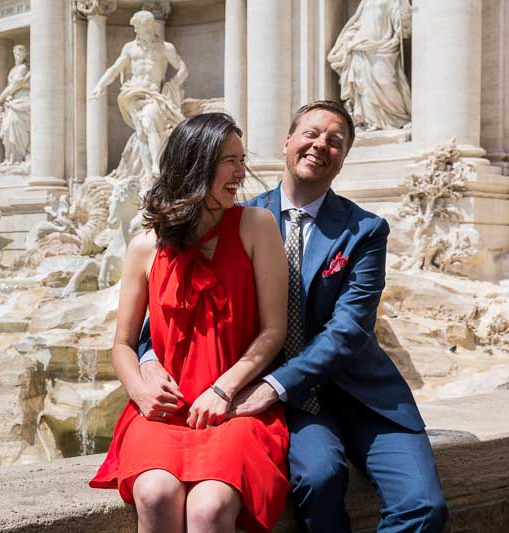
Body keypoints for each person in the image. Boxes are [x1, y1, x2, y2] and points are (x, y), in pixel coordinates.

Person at [137, 101, 447, 532]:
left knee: (424, 506)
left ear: (344, 157)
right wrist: (148, 358)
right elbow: (173, 307)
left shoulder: (366, 230)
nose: (321, 145)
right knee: (318, 482)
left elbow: (349, 330)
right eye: (311, 133)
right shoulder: (232, 219)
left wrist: (270, 387)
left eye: (335, 141)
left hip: (361, 396)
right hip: (296, 407)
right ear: (287, 142)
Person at [91, 113, 291, 532]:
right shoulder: (145, 246)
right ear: (195, 165)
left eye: (240, 159)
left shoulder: (258, 226)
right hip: (164, 409)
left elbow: (274, 331)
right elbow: (123, 344)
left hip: (234, 407)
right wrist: (140, 389)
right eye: (228, 161)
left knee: (210, 509)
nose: (241, 173)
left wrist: (225, 388)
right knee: (155, 494)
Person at [90, 10, 187, 185]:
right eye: (142, 28)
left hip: (153, 94)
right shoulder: (130, 48)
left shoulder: (165, 47)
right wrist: (100, 86)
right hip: (132, 94)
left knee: (148, 122)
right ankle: (148, 173)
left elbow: (183, 69)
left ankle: (157, 167)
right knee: (142, 131)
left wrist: (172, 85)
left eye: (148, 27)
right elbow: (114, 69)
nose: (146, 31)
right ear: (136, 28)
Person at [327, 0, 412, 131]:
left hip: (383, 47)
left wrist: (404, 18)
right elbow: (357, 22)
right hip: (360, 47)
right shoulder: (366, 2)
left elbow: (402, 25)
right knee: (363, 87)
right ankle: (369, 122)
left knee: (386, 81)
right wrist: (349, 37)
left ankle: (398, 119)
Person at [0, 44, 31, 175]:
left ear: (26, 54)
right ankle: (10, 158)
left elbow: (15, 85)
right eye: (15, 52)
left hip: (21, 101)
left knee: (13, 126)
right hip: (11, 103)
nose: (18, 54)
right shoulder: (13, 69)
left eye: (21, 51)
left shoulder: (23, 68)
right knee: (7, 129)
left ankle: (18, 158)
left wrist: (0, 99)